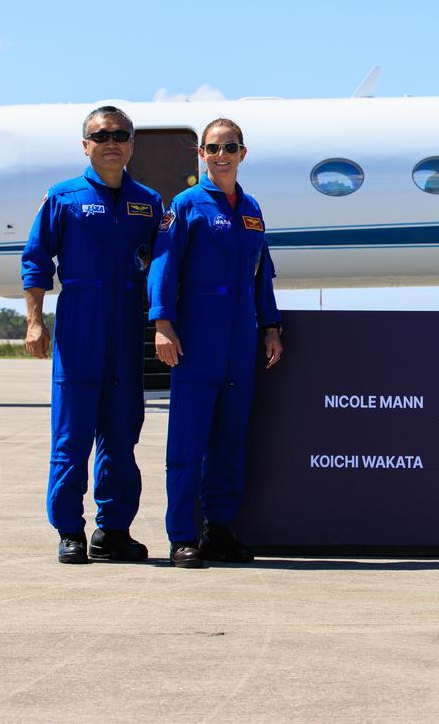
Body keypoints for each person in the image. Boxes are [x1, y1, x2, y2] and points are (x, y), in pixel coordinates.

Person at [22, 106, 162, 564]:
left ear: (132, 144)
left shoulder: (149, 202)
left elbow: (164, 266)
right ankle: (69, 531)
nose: (111, 143)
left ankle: (113, 530)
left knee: (122, 436)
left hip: (128, 325)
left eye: (120, 135)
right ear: (85, 145)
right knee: (72, 436)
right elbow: (36, 260)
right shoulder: (63, 197)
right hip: (79, 325)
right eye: (101, 136)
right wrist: (35, 320)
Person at [148, 118, 283, 568]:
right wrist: (163, 323)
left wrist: (270, 326)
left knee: (230, 441)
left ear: (243, 153)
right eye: (212, 148)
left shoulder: (252, 208)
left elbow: (261, 273)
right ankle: (182, 536)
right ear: (201, 154)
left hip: (240, 338)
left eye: (229, 148)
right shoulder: (185, 206)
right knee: (187, 443)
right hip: (197, 339)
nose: (221, 156)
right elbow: (163, 267)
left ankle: (218, 530)